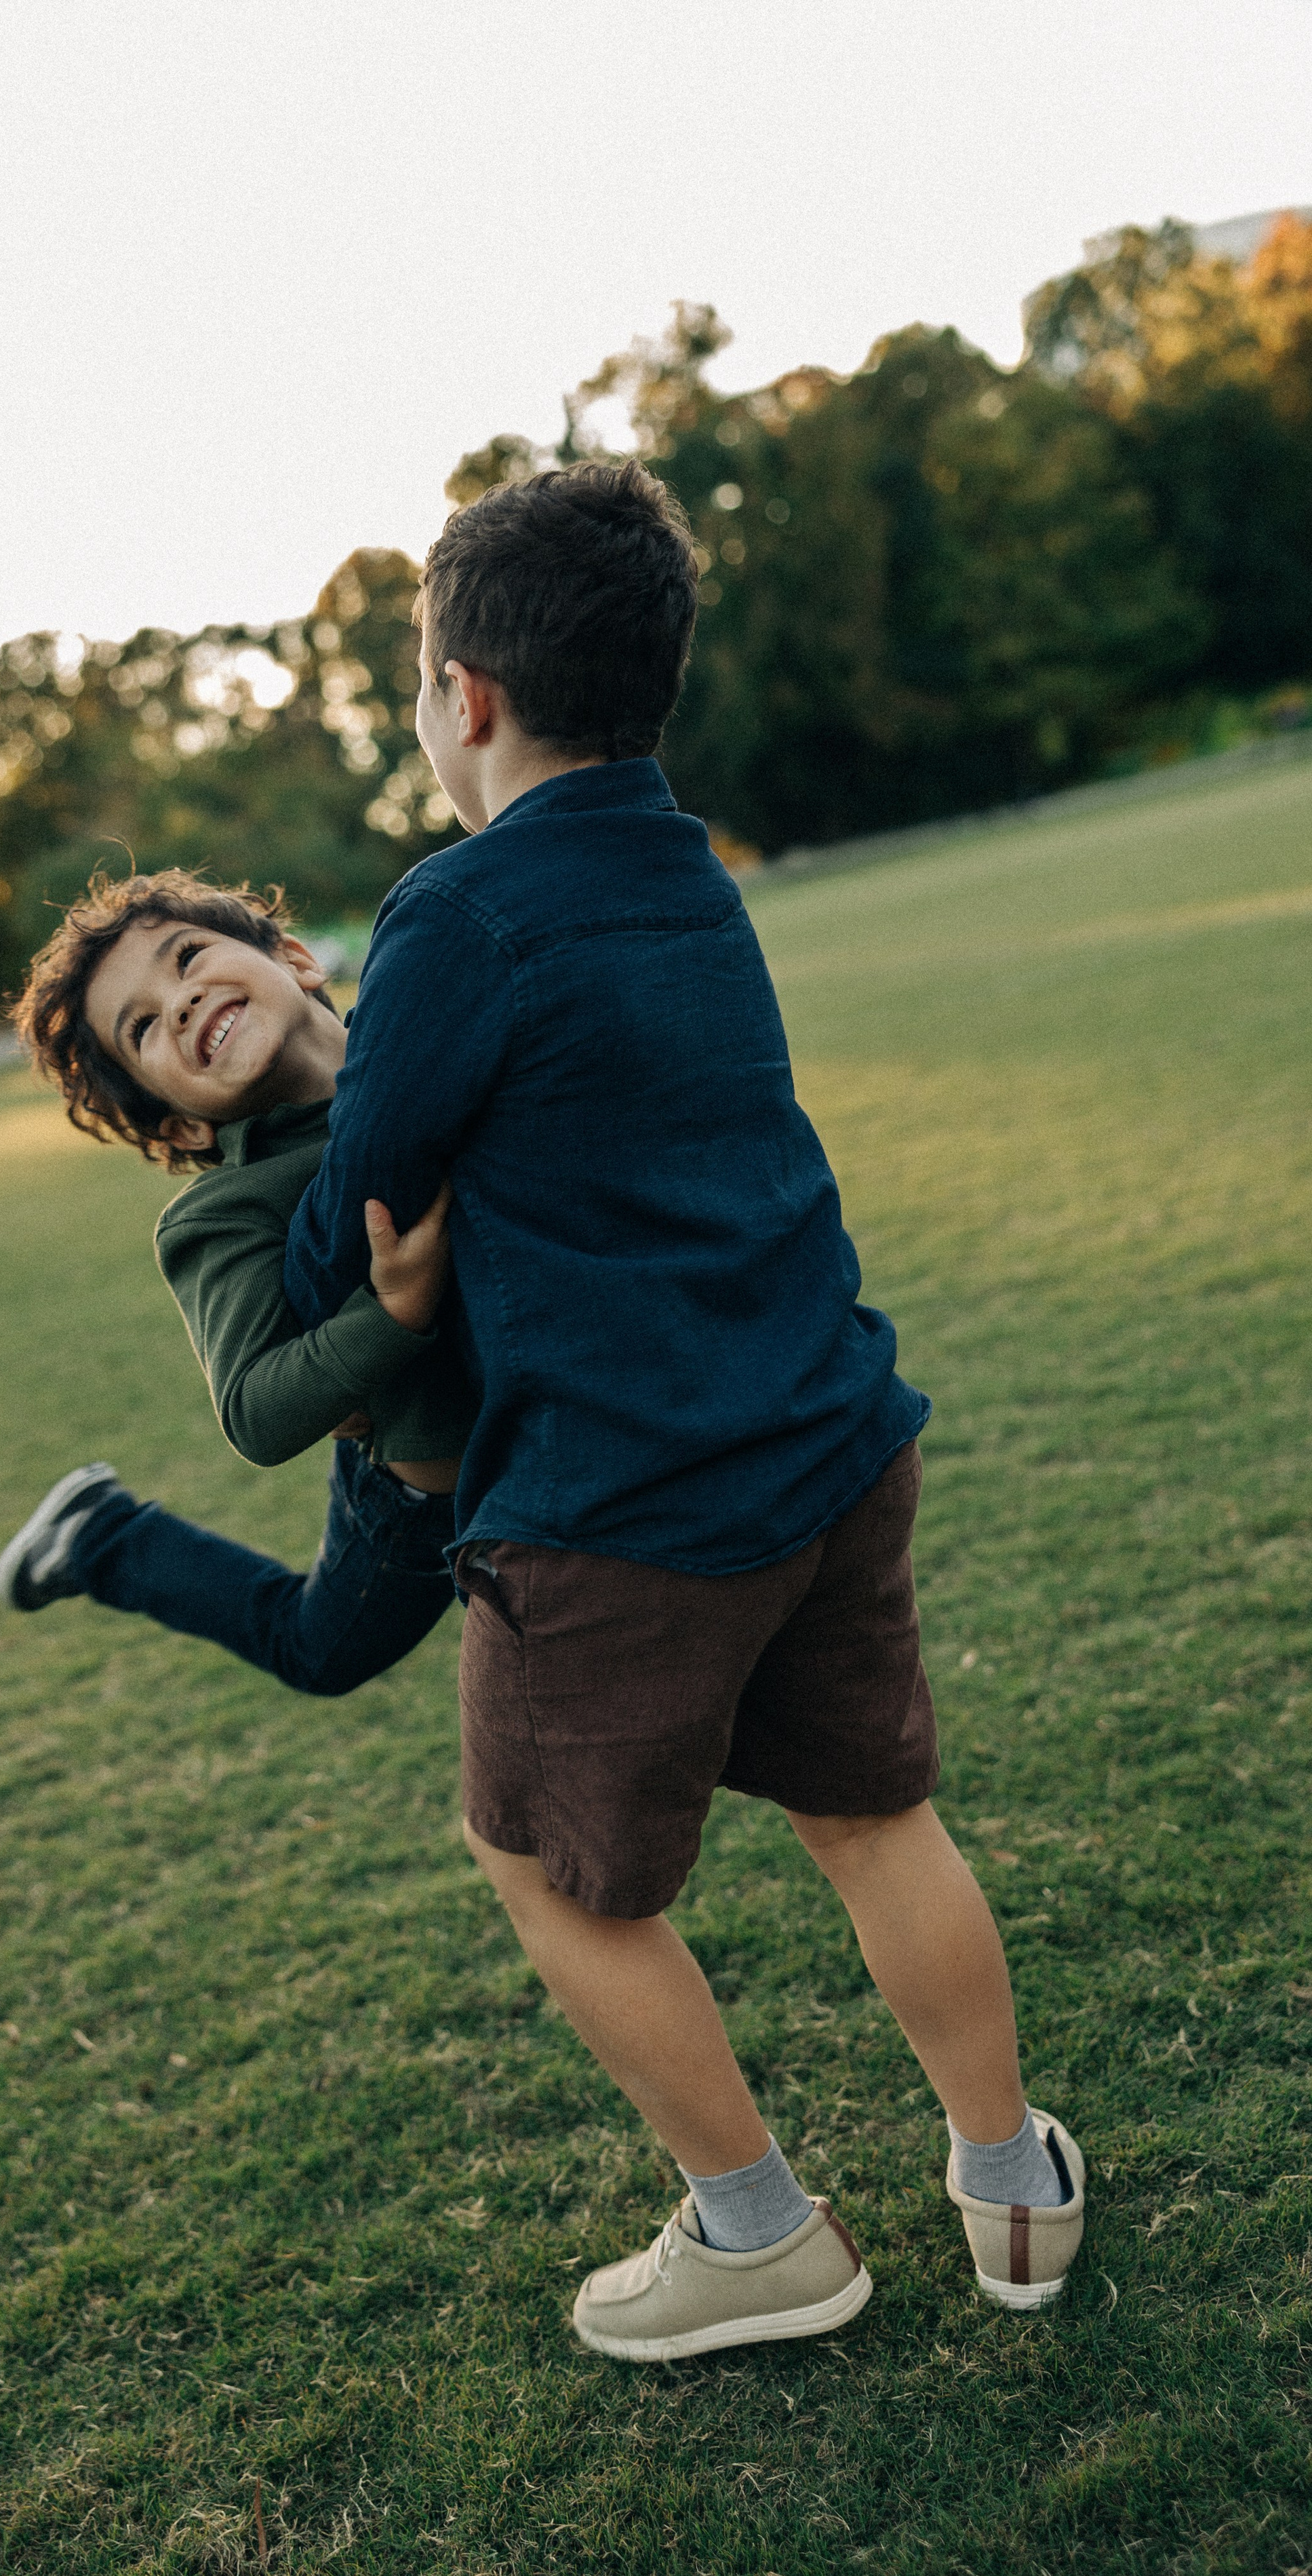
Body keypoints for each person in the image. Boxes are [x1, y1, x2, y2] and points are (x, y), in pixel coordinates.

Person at [282, 458, 1084, 2360]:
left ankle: (760, 2240)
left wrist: (336, 1224)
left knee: (540, 1868)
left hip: (621, 1502)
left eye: (414, 681)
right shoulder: (683, 863)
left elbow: (351, 1227)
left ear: (464, 696)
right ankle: (1012, 2191)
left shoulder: (456, 913)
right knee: (877, 1818)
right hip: (824, 1437)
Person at [0, 868, 471, 1700]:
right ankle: (104, 1540)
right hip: (422, 1492)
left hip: (552, 1440)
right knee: (318, 1650)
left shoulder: (427, 1049)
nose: (177, 1002)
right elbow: (254, 1409)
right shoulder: (223, 1213)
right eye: (141, 1027)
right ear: (180, 1121)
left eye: (186, 958)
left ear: (293, 957)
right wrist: (390, 1313)